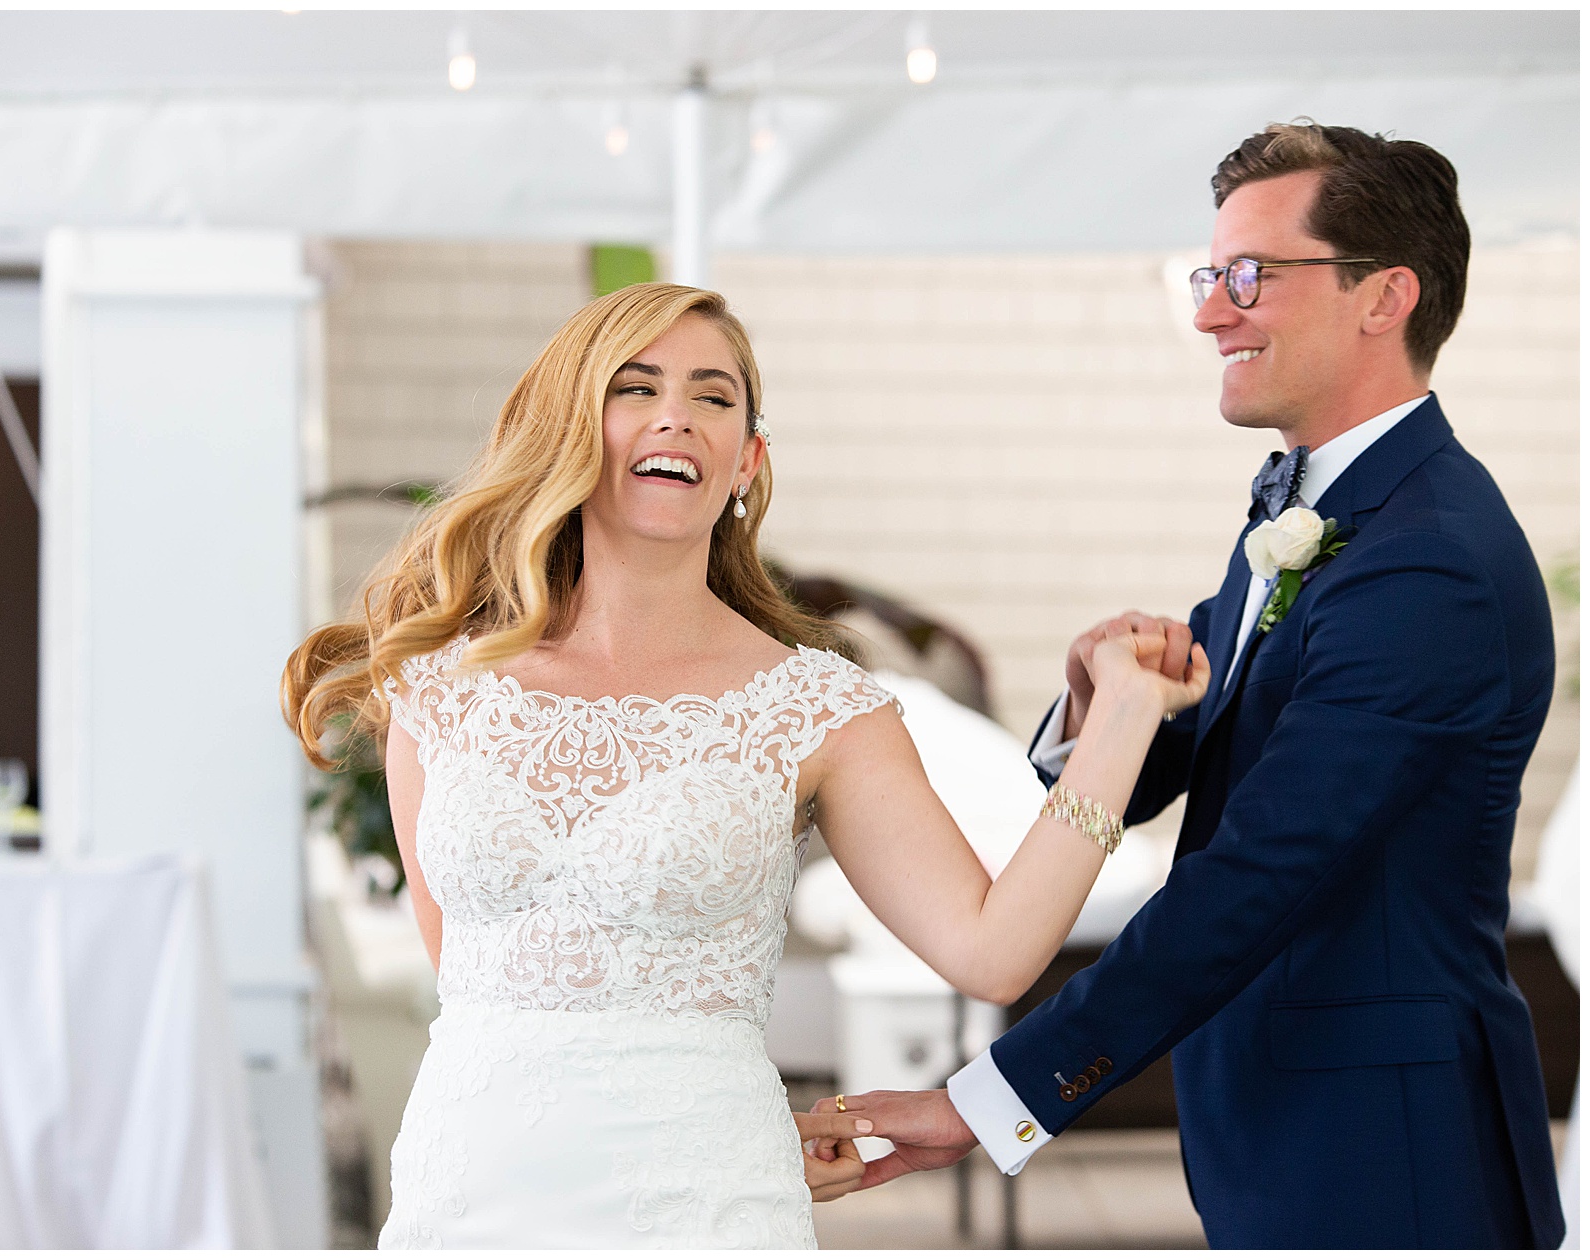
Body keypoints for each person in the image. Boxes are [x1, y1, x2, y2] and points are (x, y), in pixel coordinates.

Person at [281, 282, 1209, 1247]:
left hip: (706, 1197)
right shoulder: (440, 691)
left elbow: (995, 949)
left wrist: (1121, 727)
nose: (677, 414)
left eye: (714, 396)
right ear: (570, 428)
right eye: (636, 387)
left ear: (746, 464)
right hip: (463, 1198)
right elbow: (470, 973)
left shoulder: (820, 709)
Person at [811, 123, 1565, 1249]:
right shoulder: (1301, 506)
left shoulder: (1432, 559)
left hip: (1385, 1148)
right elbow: (1200, 748)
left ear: (1382, 296)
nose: (1212, 310)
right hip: (1278, 1122)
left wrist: (989, 1099)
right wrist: (1094, 705)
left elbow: (1258, 873)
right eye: (1209, 276)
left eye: (1247, 275)